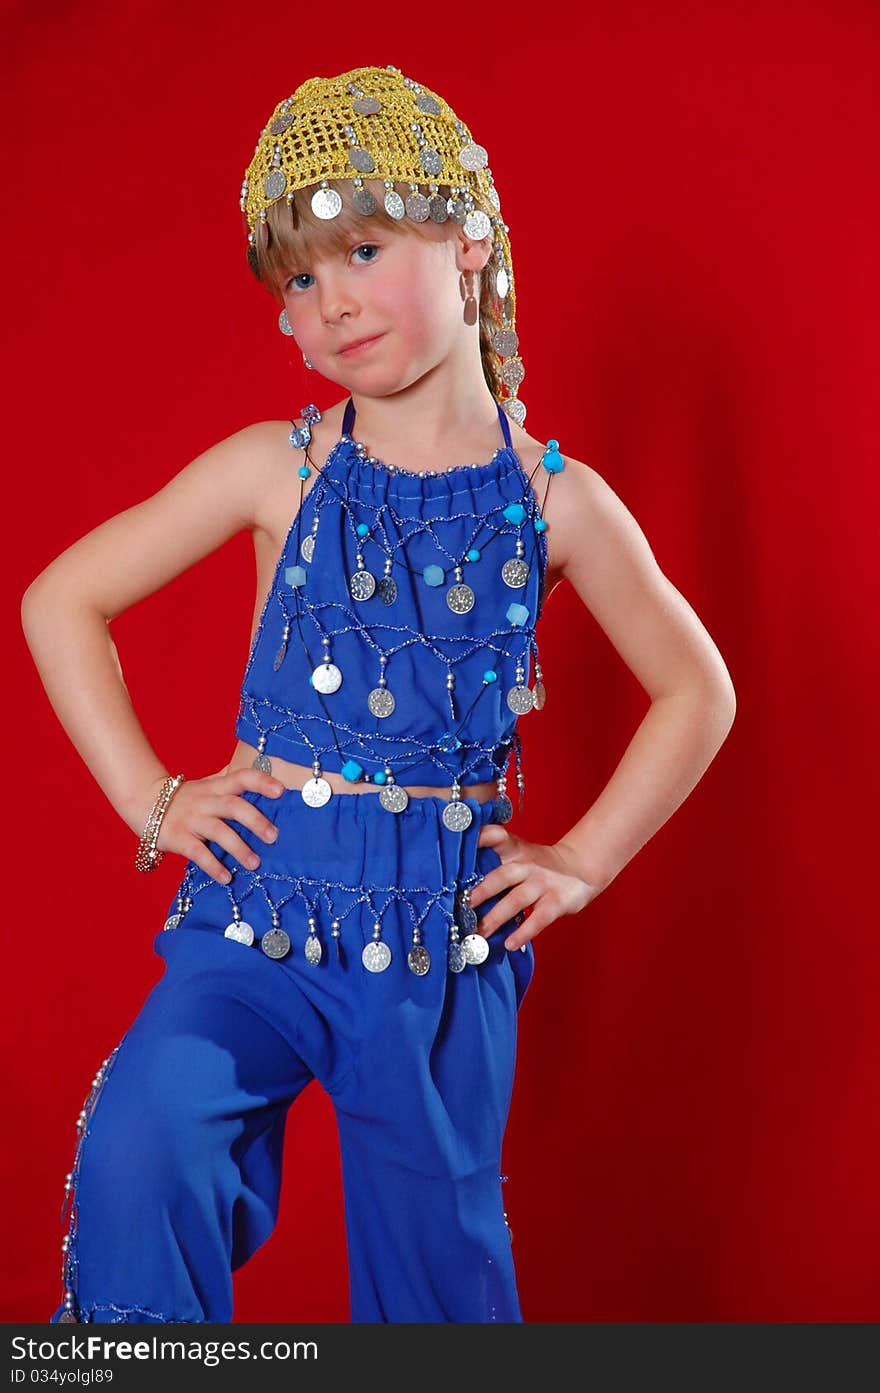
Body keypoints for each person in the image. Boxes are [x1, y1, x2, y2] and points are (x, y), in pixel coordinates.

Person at [21, 63, 736, 1325]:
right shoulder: (273, 471)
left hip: (438, 938)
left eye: (359, 247)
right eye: (298, 278)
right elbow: (56, 599)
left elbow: (695, 688)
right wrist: (152, 798)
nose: (330, 300)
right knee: (144, 1146)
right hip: (257, 907)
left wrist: (580, 862)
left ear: (468, 239)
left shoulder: (553, 504)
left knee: (433, 1271)